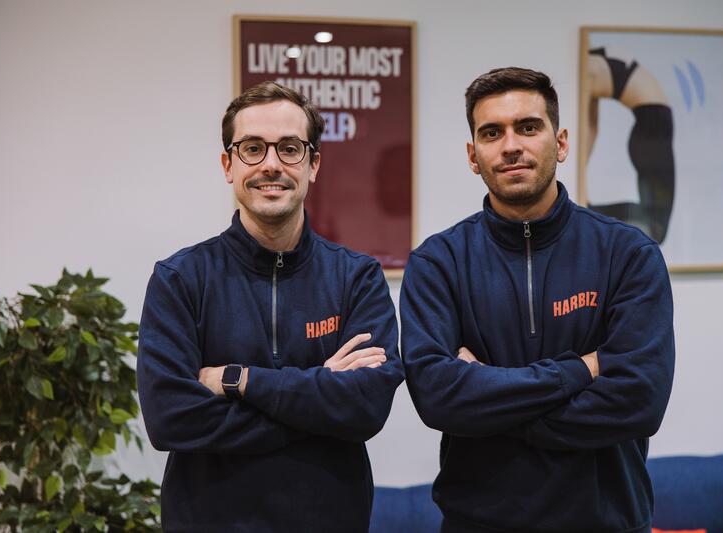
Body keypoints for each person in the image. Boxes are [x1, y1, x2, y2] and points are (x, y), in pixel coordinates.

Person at [400, 67, 675, 533]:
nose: (511, 145)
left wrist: (490, 401)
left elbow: (639, 401)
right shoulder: (438, 264)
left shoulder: (628, 254)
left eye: (528, 127)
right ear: (473, 155)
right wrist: (581, 370)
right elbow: (438, 399)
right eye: (492, 133)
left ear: (561, 143)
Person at [137, 81, 404, 533]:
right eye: (253, 148)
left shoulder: (356, 278)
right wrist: (320, 397)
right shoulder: (179, 279)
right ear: (228, 165)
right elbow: (170, 420)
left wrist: (238, 379)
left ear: (314, 164)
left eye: (290, 149)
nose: (272, 165)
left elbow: (365, 409)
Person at [583, 48, 676, 244]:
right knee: (656, 227)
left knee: (656, 227)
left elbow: (590, 127)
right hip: (654, 122)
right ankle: (588, 212)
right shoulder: (592, 70)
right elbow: (589, 127)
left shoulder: (592, 70)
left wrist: (581, 187)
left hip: (653, 122)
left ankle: (588, 212)